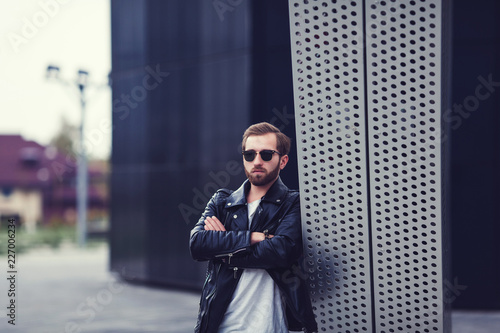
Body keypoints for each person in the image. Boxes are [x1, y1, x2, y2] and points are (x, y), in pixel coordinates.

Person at [189, 122, 318, 333]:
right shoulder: (222, 202)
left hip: (270, 327)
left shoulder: (293, 203)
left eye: (266, 154)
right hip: (218, 326)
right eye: (250, 155)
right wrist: (255, 237)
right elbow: (197, 244)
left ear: (283, 161)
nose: (257, 161)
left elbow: (281, 251)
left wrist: (223, 249)